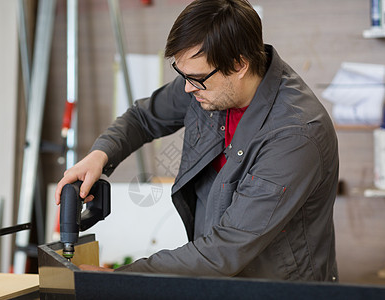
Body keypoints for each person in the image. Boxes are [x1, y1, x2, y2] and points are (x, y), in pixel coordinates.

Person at [55, 0, 339, 281]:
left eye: (197, 78)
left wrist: (122, 279)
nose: (188, 87)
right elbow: (142, 118)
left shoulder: (295, 135)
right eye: (183, 75)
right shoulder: (207, 82)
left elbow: (224, 251)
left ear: (239, 64)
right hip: (214, 279)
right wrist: (100, 155)